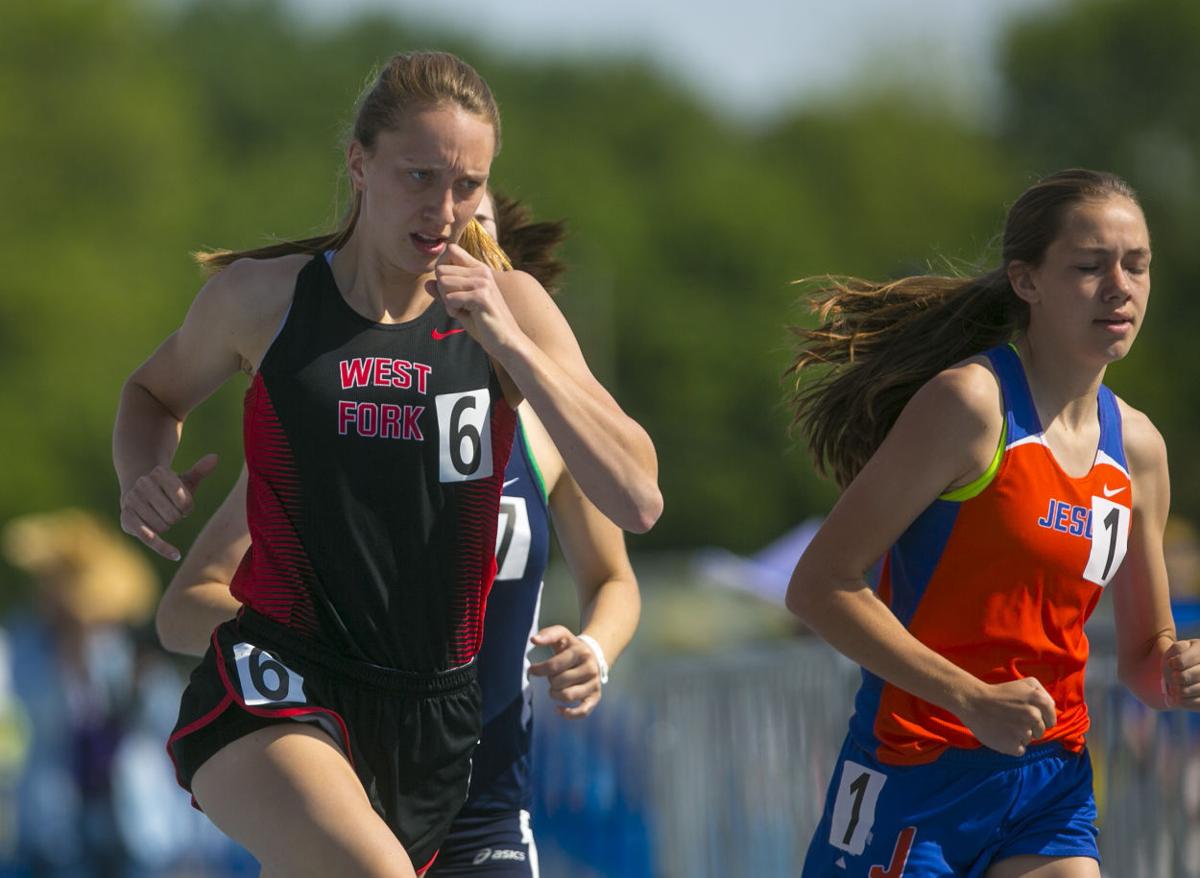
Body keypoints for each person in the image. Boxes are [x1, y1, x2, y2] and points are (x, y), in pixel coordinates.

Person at [112, 51, 661, 878]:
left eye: (468, 185)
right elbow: (151, 396)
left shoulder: (510, 313)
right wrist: (141, 476)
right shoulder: (264, 299)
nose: (444, 210)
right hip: (279, 683)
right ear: (359, 164)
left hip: (439, 726)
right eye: (419, 177)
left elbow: (639, 499)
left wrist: (509, 344)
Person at [784, 169, 1198, 877]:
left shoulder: (1139, 452)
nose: (1120, 286)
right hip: (913, 773)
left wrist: (1180, 671)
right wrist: (969, 698)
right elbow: (820, 586)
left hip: (1049, 783)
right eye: (1089, 267)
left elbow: (1143, 664)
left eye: (1137, 265)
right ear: (1027, 281)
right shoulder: (971, 407)